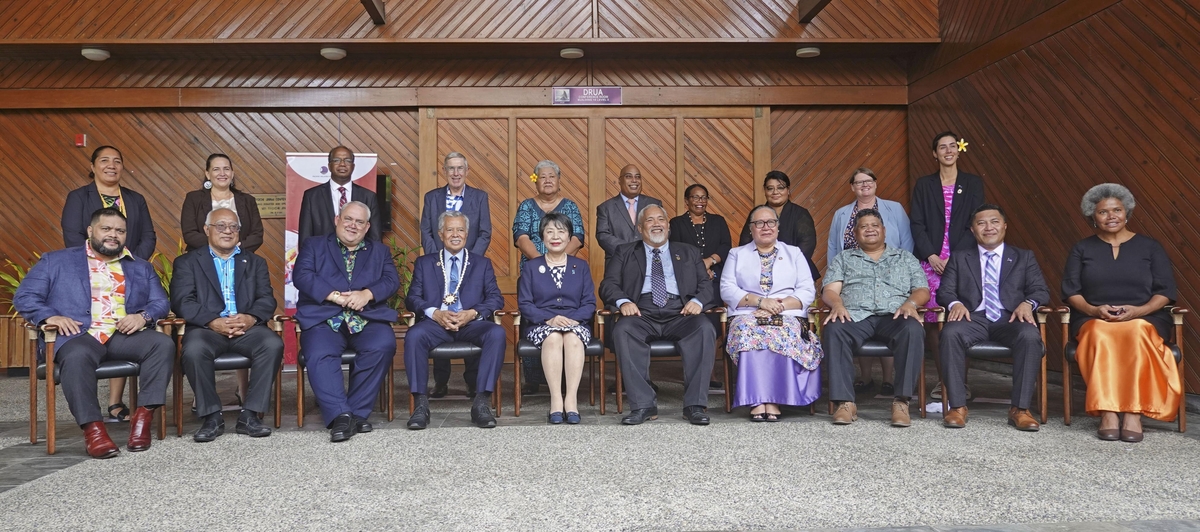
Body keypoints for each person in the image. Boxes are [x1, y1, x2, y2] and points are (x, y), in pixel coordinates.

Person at [15, 207, 172, 458]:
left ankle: (142, 419)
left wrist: (142, 316)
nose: (113, 235)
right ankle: (94, 430)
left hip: (122, 335)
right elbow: (25, 296)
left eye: (120, 231)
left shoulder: (139, 267)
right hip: (78, 335)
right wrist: (50, 316)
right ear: (90, 231)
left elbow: (160, 303)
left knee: (161, 344)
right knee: (76, 357)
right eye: (106, 229)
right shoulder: (56, 260)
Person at [1063, 184, 1179, 443]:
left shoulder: (1150, 247)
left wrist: (1140, 311)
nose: (1111, 216)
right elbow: (1071, 292)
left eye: (1117, 210)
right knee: (1100, 333)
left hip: (1145, 317)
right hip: (1093, 317)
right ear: (1093, 217)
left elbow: (1165, 291)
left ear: (1127, 213)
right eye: (1103, 212)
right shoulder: (1082, 249)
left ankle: (1133, 413)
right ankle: (1108, 412)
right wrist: (1094, 310)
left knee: (1136, 331)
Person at [61, 145, 158, 423]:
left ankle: (116, 402)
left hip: (129, 274)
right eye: (104, 160)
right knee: (93, 336)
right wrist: (100, 261)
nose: (111, 165)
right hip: (89, 273)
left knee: (125, 326)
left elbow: (148, 235)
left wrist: (129, 265)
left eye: (117, 161)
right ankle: (90, 413)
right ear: (93, 166)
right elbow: (72, 236)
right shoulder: (79, 197)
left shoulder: (135, 198)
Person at [171, 208, 283, 442]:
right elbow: (183, 301)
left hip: (247, 329)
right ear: (207, 230)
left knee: (272, 344)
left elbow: (266, 299)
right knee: (193, 350)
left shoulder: (255, 262)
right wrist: (212, 321)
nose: (228, 231)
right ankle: (212, 416)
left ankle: (250, 415)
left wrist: (251, 318)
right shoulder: (187, 262)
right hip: (207, 329)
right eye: (220, 226)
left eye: (233, 227)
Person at [599, 204, 716, 426]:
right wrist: (623, 302)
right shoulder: (624, 252)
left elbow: (707, 285)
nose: (656, 224)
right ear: (640, 228)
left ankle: (695, 405)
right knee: (623, 330)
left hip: (681, 311)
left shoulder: (688, 251)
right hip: (640, 311)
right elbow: (608, 284)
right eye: (650, 221)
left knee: (704, 328)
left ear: (668, 226)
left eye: (661, 219)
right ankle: (643, 405)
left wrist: (698, 301)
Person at [293, 201, 399, 442]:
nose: (353, 225)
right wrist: (337, 297)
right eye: (348, 219)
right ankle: (340, 415)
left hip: (366, 317)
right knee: (319, 352)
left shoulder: (379, 251)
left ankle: (355, 413)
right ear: (337, 220)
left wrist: (367, 294)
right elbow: (303, 275)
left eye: (359, 222)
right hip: (325, 316)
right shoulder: (315, 245)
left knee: (383, 344)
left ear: (367, 227)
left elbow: (391, 281)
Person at [937, 204, 1049, 431]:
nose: (989, 227)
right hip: (973, 318)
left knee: (1029, 336)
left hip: (1009, 318)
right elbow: (944, 291)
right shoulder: (960, 257)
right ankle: (957, 406)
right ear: (972, 230)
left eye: (994, 222)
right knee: (950, 333)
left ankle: (1020, 408)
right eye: (981, 223)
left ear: (1005, 226)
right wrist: (955, 303)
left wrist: (1028, 304)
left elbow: (1040, 290)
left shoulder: (1023, 257)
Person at [821, 209, 930, 427]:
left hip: (895, 314)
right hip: (856, 315)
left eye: (874, 225)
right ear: (855, 232)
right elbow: (830, 290)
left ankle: (901, 402)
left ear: (884, 230)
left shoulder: (904, 258)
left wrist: (911, 304)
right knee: (834, 329)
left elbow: (922, 290)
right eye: (863, 226)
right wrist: (838, 304)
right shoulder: (844, 258)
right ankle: (845, 402)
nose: (869, 229)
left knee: (913, 329)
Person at [404, 211, 505, 430]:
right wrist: (435, 313)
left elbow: (496, 298)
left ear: (467, 234)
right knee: (414, 335)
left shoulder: (481, 263)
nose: (455, 234)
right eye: (450, 229)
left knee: (496, 333)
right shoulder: (425, 263)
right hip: (436, 324)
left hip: (470, 323)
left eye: (460, 229)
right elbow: (412, 298)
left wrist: (473, 313)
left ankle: (481, 402)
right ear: (441, 234)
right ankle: (420, 404)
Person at [180, 153, 265, 408]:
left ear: (232, 172)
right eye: (215, 169)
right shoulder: (194, 199)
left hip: (240, 264)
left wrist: (234, 246)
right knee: (204, 335)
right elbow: (189, 232)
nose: (222, 173)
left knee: (241, 316)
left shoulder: (246, 200)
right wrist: (214, 248)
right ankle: (205, 398)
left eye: (226, 168)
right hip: (204, 266)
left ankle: (244, 390)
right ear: (207, 173)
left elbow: (257, 233)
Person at [722, 206, 822, 421]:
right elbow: (727, 289)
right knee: (749, 328)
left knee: (782, 329)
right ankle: (757, 399)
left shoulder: (794, 253)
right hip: (747, 310)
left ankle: (774, 398)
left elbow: (806, 289)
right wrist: (760, 301)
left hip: (787, 311)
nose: (765, 227)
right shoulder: (736, 254)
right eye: (759, 223)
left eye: (770, 222)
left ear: (778, 227)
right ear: (751, 229)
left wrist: (780, 305)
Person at [911, 131, 986, 402]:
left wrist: (954, 257)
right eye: (942, 147)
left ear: (959, 150)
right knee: (933, 322)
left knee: (960, 318)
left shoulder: (972, 183)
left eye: (952, 146)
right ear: (935, 153)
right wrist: (931, 254)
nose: (948, 151)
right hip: (931, 262)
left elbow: (975, 222)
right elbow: (917, 224)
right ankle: (943, 380)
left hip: (962, 260)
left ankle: (961, 383)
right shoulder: (924, 184)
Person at [827, 167, 914, 398]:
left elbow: (906, 240)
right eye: (858, 182)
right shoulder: (842, 214)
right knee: (846, 319)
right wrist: (837, 282)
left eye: (868, 181)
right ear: (852, 187)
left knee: (899, 321)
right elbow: (834, 248)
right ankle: (863, 379)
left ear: (876, 183)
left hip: (891, 280)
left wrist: (899, 277)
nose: (864, 185)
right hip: (854, 278)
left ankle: (889, 381)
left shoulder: (893, 209)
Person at [419, 152, 492, 399]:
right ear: (444, 171)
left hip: (470, 270)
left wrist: (468, 261)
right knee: (441, 315)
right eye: (451, 168)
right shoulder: (432, 198)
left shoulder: (480, 197)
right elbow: (427, 232)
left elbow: (484, 232)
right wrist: (438, 259)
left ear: (467, 171)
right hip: (438, 267)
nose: (456, 173)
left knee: (469, 315)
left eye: (460, 168)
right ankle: (441, 383)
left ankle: (473, 382)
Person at [512, 160, 586, 395]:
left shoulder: (570, 206)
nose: (547, 180)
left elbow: (578, 237)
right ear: (536, 180)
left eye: (551, 176)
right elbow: (520, 236)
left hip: (567, 273)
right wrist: (540, 263)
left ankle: (565, 379)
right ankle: (533, 379)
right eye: (542, 177)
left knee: (565, 320)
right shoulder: (526, 206)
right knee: (534, 320)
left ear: (558, 180)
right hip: (533, 274)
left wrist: (559, 257)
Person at [517, 212, 596, 424]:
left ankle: (571, 400)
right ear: (542, 237)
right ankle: (555, 400)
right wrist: (549, 319)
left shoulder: (581, 267)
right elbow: (525, 304)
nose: (555, 236)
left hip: (575, 323)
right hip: (542, 323)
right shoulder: (531, 268)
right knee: (552, 338)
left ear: (570, 237)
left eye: (561, 232)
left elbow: (589, 303)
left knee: (572, 338)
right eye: (549, 231)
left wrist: (572, 320)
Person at [738, 171, 818, 279]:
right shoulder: (757, 213)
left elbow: (807, 244)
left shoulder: (800, 213)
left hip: (795, 272)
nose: (775, 192)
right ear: (765, 191)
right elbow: (745, 242)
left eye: (780, 188)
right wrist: (761, 266)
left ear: (788, 190)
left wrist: (786, 267)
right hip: (759, 272)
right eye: (770, 188)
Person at [297, 146, 381, 246]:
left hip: (358, 259)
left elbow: (375, 238)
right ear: (329, 166)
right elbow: (305, 238)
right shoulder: (312, 196)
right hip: (322, 259)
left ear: (353, 166)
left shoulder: (368, 197)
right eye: (336, 160)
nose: (342, 164)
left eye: (347, 160)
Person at [669, 183, 732, 303]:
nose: (700, 201)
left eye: (704, 197)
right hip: (688, 276)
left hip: (715, 275)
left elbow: (726, 246)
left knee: (714, 313)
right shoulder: (676, 223)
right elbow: (676, 251)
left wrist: (709, 261)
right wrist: (700, 269)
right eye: (696, 197)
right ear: (687, 200)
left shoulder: (718, 221)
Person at [595, 164, 663, 267]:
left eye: (637, 177)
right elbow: (603, 236)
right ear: (620, 180)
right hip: (618, 265)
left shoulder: (654, 204)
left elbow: (663, 230)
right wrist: (630, 250)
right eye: (628, 176)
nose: (634, 180)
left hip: (650, 264)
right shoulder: (606, 208)